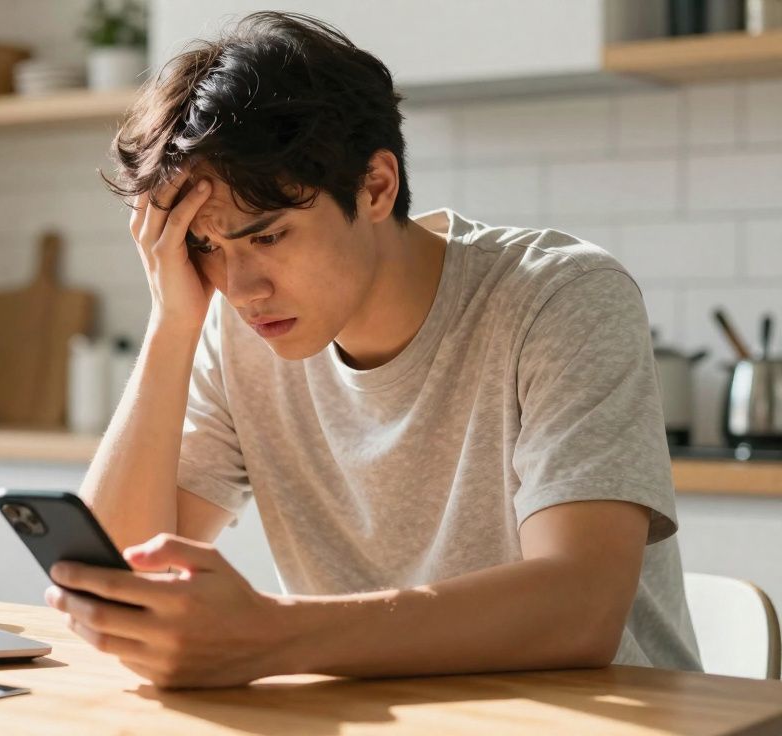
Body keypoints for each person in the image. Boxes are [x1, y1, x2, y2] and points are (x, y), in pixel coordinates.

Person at [42, 11, 703, 689]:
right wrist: (170, 325)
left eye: (267, 237)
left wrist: (274, 635)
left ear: (377, 186)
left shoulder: (559, 297)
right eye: (206, 247)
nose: (241, 288)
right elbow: (118, 588)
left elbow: (579, 609)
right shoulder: (235, 330)